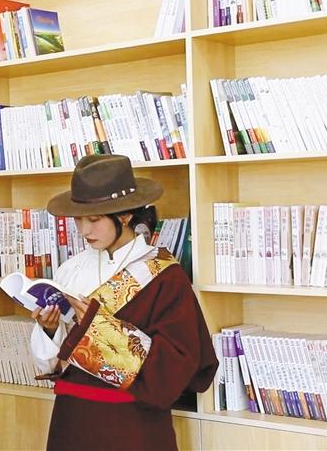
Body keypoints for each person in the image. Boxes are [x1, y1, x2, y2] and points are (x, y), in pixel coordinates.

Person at [30, 154, 218, 451]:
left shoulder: (164, 276)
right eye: (78, 219)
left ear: (125, 215)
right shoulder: (71, 269)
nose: (84, 231)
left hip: (133, 423)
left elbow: (178, 364)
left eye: (94, 220)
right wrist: (50, 329)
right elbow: (54, 364)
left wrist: (97, 330)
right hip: (71, 419)